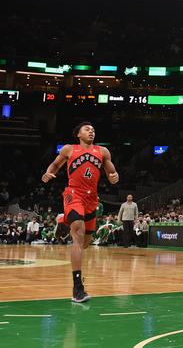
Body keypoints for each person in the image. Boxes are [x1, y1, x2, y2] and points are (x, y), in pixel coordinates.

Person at [41, 121, 119, 303]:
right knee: (78, 232)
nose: (91, 131)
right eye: (87, 129)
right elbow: (54, 165)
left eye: (93, 129)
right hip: (74, 194)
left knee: (85, 243)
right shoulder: (69, 149)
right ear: (78, 134)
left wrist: (115, 178)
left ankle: (63, 221)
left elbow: (112, 174)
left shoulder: (103, 152)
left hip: (92, 200)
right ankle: (77, 288)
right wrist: (48, 173)